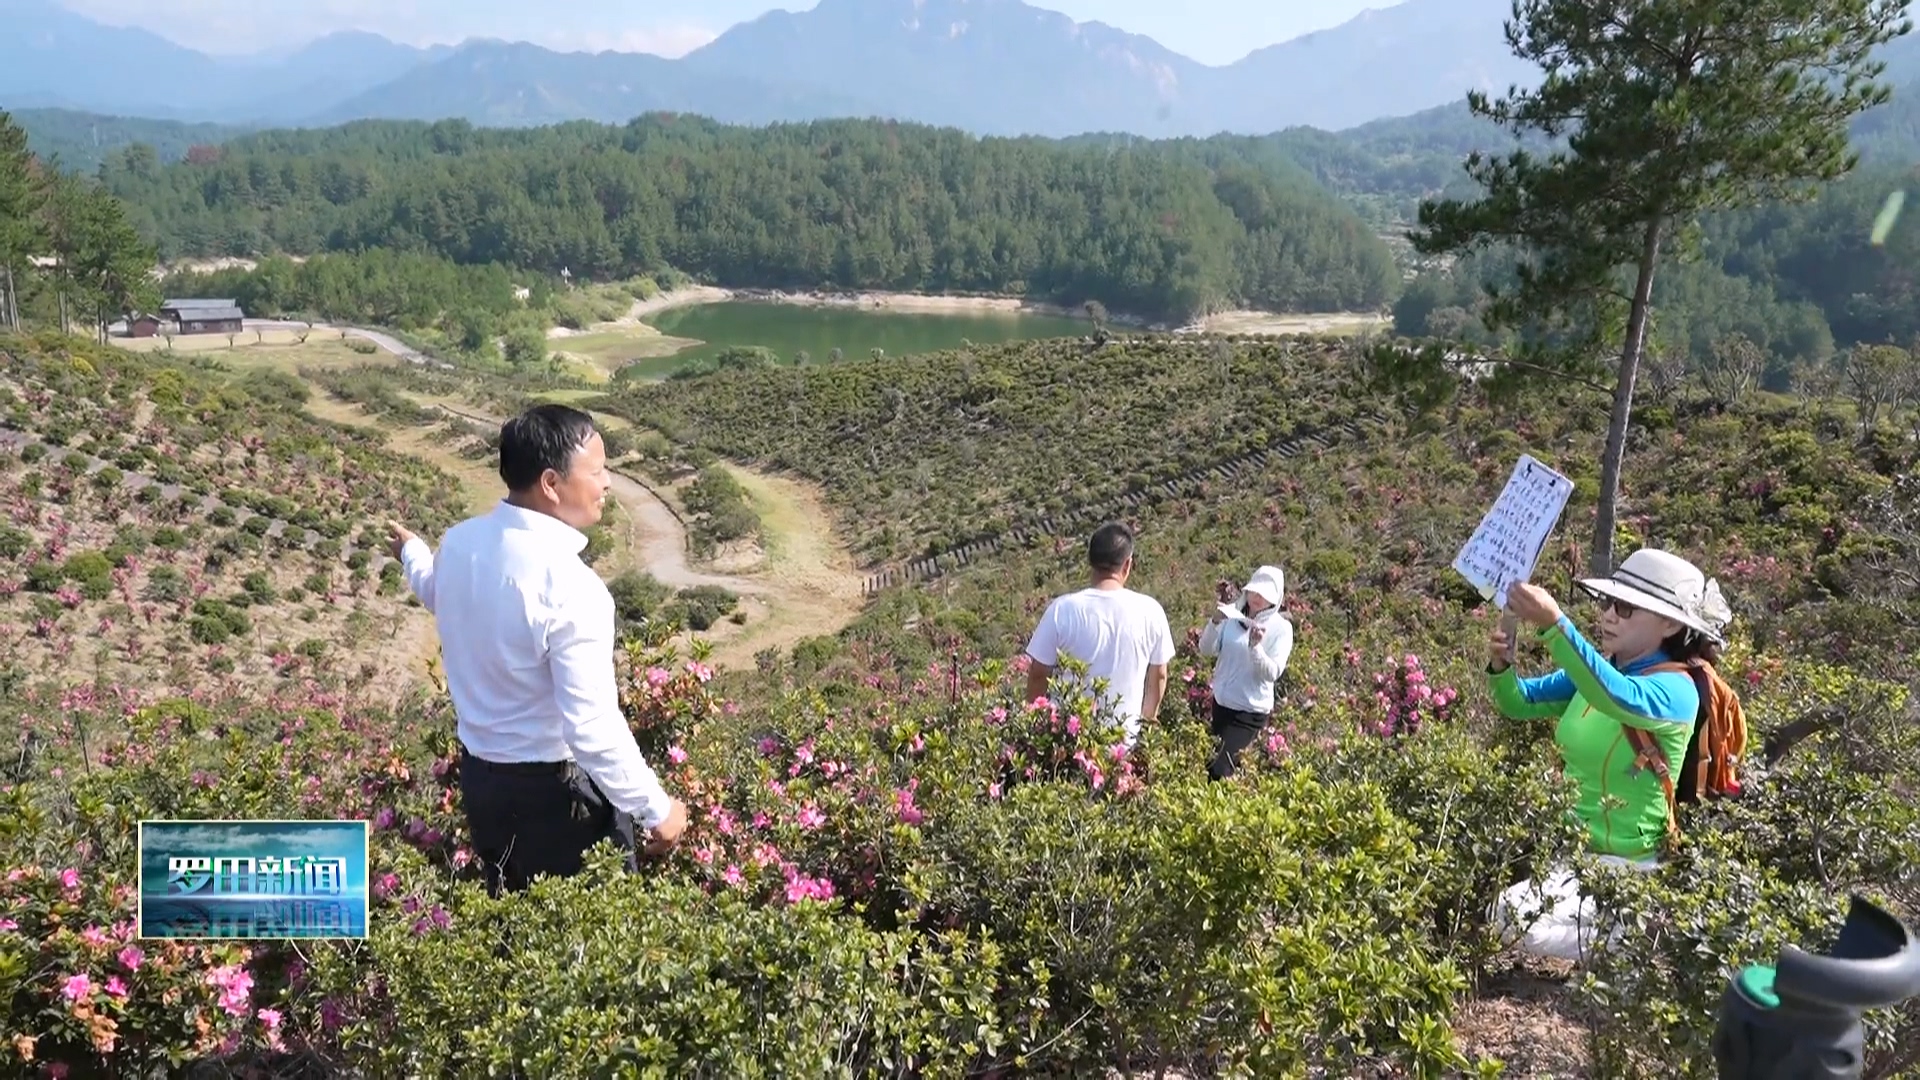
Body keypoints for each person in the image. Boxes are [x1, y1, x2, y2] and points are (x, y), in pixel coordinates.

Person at [387, 403, 688, 897]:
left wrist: (412, 553)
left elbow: (436, 588)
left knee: (514, 926)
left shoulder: (460, 544)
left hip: (483, 785)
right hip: (558, 800)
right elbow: (590, 728)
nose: (608, 483)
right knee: (594, 941)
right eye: (596, 471)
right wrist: (659, 810)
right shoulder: (573, 587)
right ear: (551, 483)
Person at [1486, 547, 1733, 962]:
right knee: (1505, 914)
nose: (1608, 616)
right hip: (1573, 862)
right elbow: (1519, 703)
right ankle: (1627, 940)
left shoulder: (1677, 691)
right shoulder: (1596, 670)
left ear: (1670, 624)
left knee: (1514, 920)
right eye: (1607, 603)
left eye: (1624, 608)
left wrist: (1554, 625)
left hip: (1633, 869)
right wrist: (1502, 668)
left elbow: (1618, 698)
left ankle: (1639, 936)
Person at [1022, 521, 1176, 748]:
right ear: (1127, 565)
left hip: (1068, 743)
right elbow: (1159, 676)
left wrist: (1036, 728)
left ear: (1090, 562)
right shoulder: (1151, 611)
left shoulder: (1062, 610)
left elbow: (1037, 674)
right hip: (1124, 746)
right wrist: (1146, 725)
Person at [1197, 565, 1294, 780]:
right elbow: (1205, 649)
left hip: (1249, 711)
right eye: (1254, 591)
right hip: (1221, 705)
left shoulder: (1281, 628)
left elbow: (1273, 672)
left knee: (1220, 771)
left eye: (1264, 594)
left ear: (1275, 598)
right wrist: (1214, 622)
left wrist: (1255, 648)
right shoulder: (1231, 615)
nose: (1257, 597)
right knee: (1209, 763)